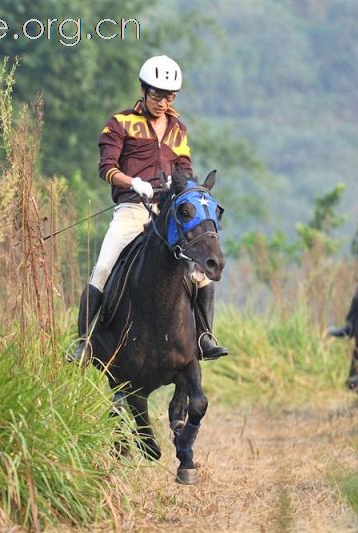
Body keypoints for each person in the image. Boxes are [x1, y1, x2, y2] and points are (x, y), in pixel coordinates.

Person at [72, 55, 229, 361]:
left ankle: (205, 337)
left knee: (201, 271)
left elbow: (184, 168)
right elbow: (106, 168)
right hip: (132, 208)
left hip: (167, 213)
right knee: (104, 267)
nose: (162, 101)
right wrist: (132, 182)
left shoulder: (177, 129)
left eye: (169, 95)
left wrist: (182, 183)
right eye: (156, 94)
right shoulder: (120, 122)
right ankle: (84, 342)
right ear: (144, 90)